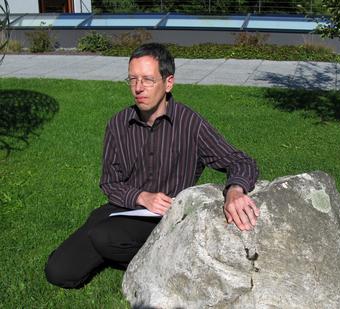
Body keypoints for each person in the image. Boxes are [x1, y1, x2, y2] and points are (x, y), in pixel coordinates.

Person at [45, 43, 259, 289]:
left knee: (104, 237)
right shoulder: (118, 124)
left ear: (168, 83)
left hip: (166, 218)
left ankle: (162, 257)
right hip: (125, 208)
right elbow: (109, 182)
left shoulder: (190, 123)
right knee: (59, 271)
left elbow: (241, 161)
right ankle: (141, 254)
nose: (138, 88)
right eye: (133, 79)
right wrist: (141, 196)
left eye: (147, 80)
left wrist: (234, 190)